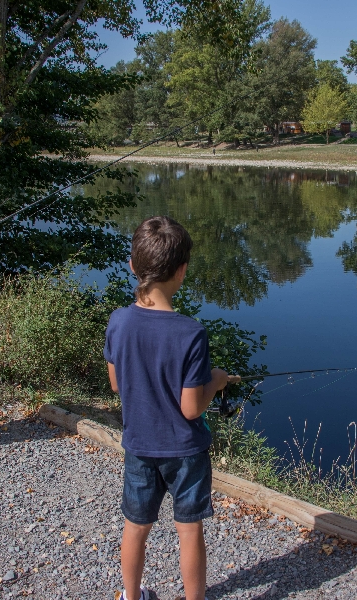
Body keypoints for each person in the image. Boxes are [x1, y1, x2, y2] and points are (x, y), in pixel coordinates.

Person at [104, 216, 239, 600]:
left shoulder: (119, 322)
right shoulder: (190, 332)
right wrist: (215, 380)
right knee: (189, 529)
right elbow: (192, 408)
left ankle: (132, 596)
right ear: (182, 271)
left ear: (132, 266)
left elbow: (117, 383)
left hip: (139, 446)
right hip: (185, 452)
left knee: (135, 526)